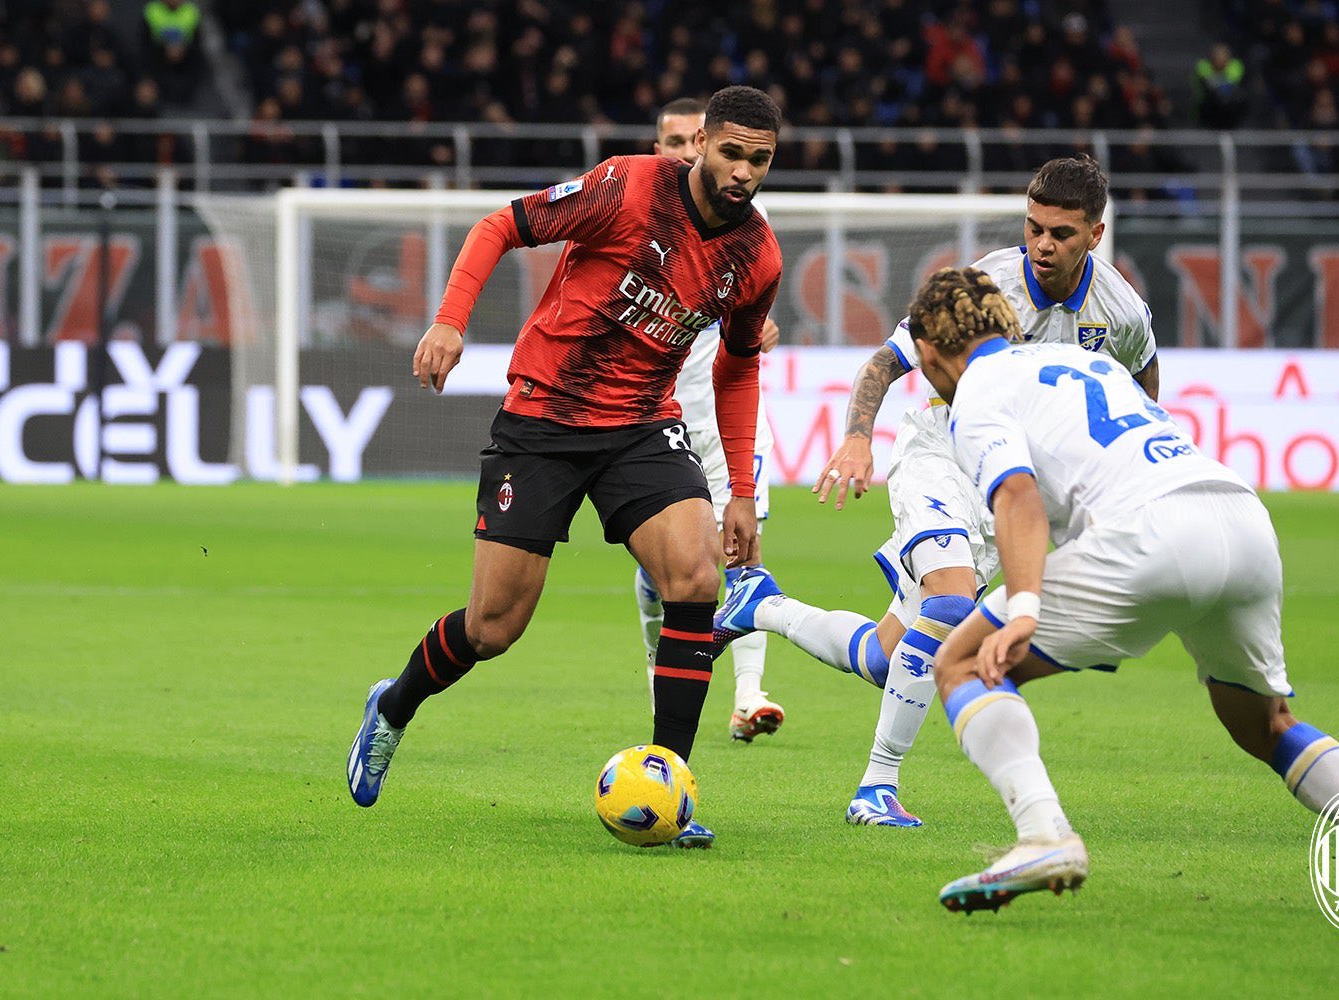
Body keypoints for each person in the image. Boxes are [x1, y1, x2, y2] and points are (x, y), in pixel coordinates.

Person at [904, 266, 1339, 918]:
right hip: (1239, 519)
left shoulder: (976, 393)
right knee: (1264, 722)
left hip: (1151, 535)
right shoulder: (1087, 363)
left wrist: (1023, 608)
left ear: (930, 354)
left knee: (963, 662)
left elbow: (1017, 495)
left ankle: (1044, 836)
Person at [346, 86, 785, 849]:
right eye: (731, 152)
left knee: (695, 578)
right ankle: (393, 707)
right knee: (492, 627)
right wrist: (451, 322)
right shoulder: (627, 186)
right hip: (544, 418)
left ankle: (670, 787)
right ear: (702, 145)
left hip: (643, 425)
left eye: (760, 159)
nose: (743, 171)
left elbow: (738, 369)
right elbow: (501, 226)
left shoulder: (757, 256)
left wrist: (740, 491)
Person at [715, 155, 1158, 827]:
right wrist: (858, 437)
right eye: (1034, 228)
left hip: (1009, 491)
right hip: (941, 456)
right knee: (951, 607)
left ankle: (761, 605)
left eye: (1060, 234)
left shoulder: (1121, 311)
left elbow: (1142, 383)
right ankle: (876, 788)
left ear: (1095, 235)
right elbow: (885, 362)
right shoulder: (983, 285)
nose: (1042, 245)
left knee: (888, 656)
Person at [639, 97, 785, 744]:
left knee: (741, 551)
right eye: (669, 139)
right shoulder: (639, 208)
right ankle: (659, 676)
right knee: (658, 572)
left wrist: (752, 331)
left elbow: (751, 310)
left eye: (687, 138)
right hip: (647, 414)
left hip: (716, 412)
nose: (679, 149)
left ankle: (749, 695)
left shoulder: (745, 221)